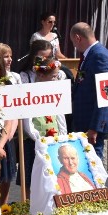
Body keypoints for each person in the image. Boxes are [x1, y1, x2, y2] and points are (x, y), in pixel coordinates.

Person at [70, 21, 108, 159]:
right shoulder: (91, 55)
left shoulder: (100, 56)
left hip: (92, 123)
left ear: (77, 37)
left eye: (73, 41)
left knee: (93, 164)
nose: (74, 45)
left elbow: (106, 95)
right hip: (85, 120)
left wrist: (95, 128)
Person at [22, 57, 68, 201]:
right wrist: (37, 138)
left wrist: (63, 137)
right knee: (33, 177)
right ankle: (31, 203)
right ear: (41, 75)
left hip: (53, 142)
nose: (56, 80)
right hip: (35, 143)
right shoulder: (30, 92)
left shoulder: (55, 92)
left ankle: (53, 202)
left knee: (53, 175)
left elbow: (60, 116)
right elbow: (27, 121)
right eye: (53, 77)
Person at [0, 46, 18, 205]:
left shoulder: (6, 87)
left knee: (4, 177)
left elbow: (9, 120)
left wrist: (0, 144)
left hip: (2, 139)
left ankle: (3, 210)